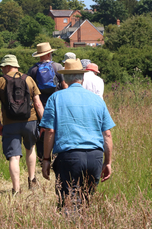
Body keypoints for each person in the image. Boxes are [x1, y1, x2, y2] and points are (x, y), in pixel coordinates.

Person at [40, 59, 115, 208]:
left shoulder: (55, 98)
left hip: (69, 156)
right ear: (82, 77)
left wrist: (46, 159)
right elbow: (107, 134)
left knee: (68, 203)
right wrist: (107, 162)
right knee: (86, 202)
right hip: (95, 157)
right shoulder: (97, 100)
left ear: (65, 78)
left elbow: (50, 131)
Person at [0, 55, 44, 195]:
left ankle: (16, 189)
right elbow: (38, 104)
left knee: (14, 157)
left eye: (3, 67)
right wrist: (44, 122)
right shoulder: (28, 79)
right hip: (30, 121)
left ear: (7, 66)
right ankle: (32, 180)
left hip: (10, 123)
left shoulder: (0, 81)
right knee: (30, 148)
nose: (2, 70)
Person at [27, 42, 67, 160]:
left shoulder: (33, 70)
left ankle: (41, 158)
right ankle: (56, 157)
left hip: (41, 106)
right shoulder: (58, 67)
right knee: (58, 130)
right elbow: (65, 86)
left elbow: (30, 91)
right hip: (57, 104)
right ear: (49, 53)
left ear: (39, 55)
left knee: (42, 130)